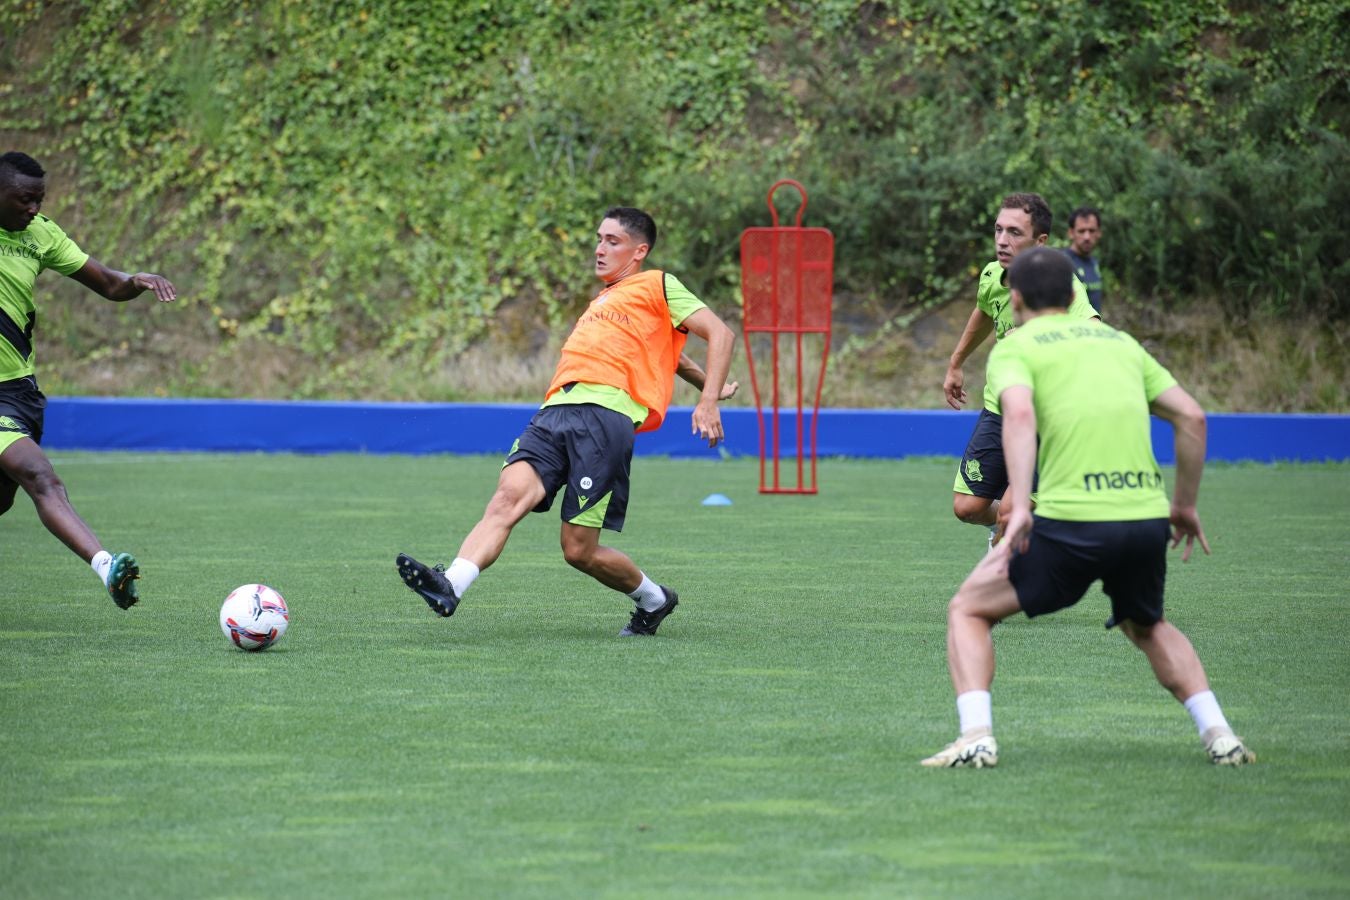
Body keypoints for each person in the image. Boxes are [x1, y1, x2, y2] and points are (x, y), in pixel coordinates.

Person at [921, 247, 1254, 769]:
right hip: (1143, 517)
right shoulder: (1121, 344)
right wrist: (1183, 505)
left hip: (1072, 519)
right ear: (1075, 293)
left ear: (1016, 297)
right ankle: (1221, 735)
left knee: (967, 610)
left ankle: (977, 738)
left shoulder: (1018, 345)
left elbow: (1021, 415)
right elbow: (1192, 419)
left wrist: (1023, 502)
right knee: (1148, 625)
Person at [397, 206, 737, 637]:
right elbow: (670, 354)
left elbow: (720, 334)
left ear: (639, 251)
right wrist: (708, 380)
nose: (600, 249)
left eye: (612, 241)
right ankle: (451, 586)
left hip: (605, 419)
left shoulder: (658, 283)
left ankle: (655, 599)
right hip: (554, 411)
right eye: (598, 239)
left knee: (578, 551)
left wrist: (708, 401)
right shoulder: (605, 299)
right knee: (507, 497)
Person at [0, 151, 177, 608]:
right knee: (41, 476)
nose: (34, 209)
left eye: (39, 199)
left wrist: (133, 280)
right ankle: (107, 567)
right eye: (25, 199)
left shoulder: (40, 234)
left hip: (19, 392)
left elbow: (107, 283)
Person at [943, 193, 1098, 540]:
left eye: (1014, 232)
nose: (1002, 240)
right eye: (998, 230)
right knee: (967, 508)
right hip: (1000, 409)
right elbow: (985, 309)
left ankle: (1017, 539)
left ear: (1040, 241)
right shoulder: (993, 274)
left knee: (1011, 513)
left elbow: (1094, 334)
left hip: (1046, 416)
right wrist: (956, 363)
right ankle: (1027, 525)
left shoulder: (1064, 286)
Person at [1062, 205, 1103, 312]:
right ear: (1071, 233)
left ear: (1099, 233)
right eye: (1081, 231)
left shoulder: (1094, 262)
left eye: (1091, 230)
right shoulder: (1061, 262)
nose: (1087, 237)